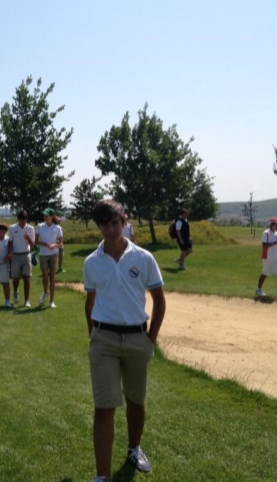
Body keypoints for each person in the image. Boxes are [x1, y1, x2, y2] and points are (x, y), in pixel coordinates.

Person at [84, 199, 166, 480]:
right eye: (105, 224)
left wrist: (150, 340)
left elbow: (159, 301)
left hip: (136, 339)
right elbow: (90, 302)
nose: (112, 229)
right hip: (103, 340)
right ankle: (102, 477)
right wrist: (93, 336)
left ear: (125, 220)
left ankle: (134, 448)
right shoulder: (92, 262)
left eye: (116, 222)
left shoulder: (143, 258)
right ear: (99, 226)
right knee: (104, 407)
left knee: (136, 401)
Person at [35, 208, 63, 308]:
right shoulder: (40, 226)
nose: (45, 217)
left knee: (52, 277)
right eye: (44, 215)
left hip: (54, 254)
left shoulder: (57, 228)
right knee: (45, 277)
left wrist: (53, 246)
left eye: (47, 215)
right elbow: (36, 241)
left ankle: (52, 301)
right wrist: (45, 244)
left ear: (52, 217)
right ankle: (45, 292)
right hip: (43, 254)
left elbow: (60, 244)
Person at [7, 209, 36, 307]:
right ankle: (15, 290)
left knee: (26, 278)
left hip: (26, 254)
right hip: (15, 255)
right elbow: (10, 242)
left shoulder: (31, 229)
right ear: (18, 219)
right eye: (21, 220)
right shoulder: (12, 228)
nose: (23, 222)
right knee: (16, 278)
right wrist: (10, 252)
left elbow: (33, 245)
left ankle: (27, 300)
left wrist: (28, 238)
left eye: (25, 220)